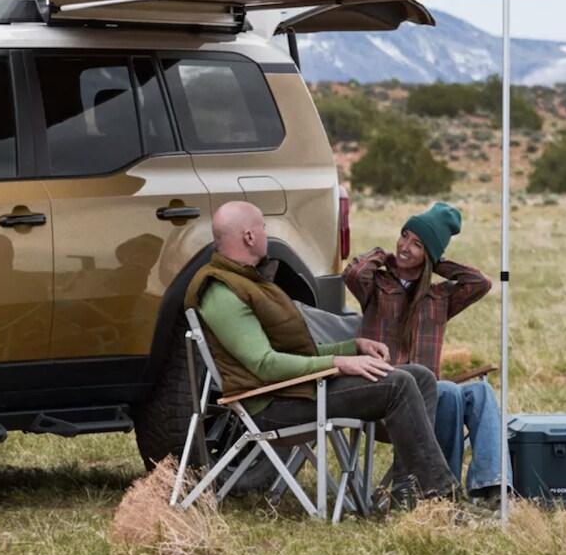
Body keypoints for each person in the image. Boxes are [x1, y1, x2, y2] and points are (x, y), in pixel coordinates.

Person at [189, 201, 457, 503]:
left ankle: (407, 492)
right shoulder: (222, 292)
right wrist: (339, 363)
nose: (266, 233)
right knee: (399, 384)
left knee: (421, 376)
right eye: (263, 227)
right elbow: (265, 365)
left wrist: (353, 347)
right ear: (249, 236)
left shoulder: (248, 281)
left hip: (297, 390)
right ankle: (439, 495)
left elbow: (294, 351)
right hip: (275, 406)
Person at [344, 202, 508, 506]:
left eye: (417, 244)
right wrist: (384, 256)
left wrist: (436, 262)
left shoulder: (438, 297)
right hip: (385, 400)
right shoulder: (377, 287)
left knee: (481, 392)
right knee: (449, 390)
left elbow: (480, 283)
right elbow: (353, 272)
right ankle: (442, 494)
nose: (404, 246)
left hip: (431, 402)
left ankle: (493, 489)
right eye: (404, 236)